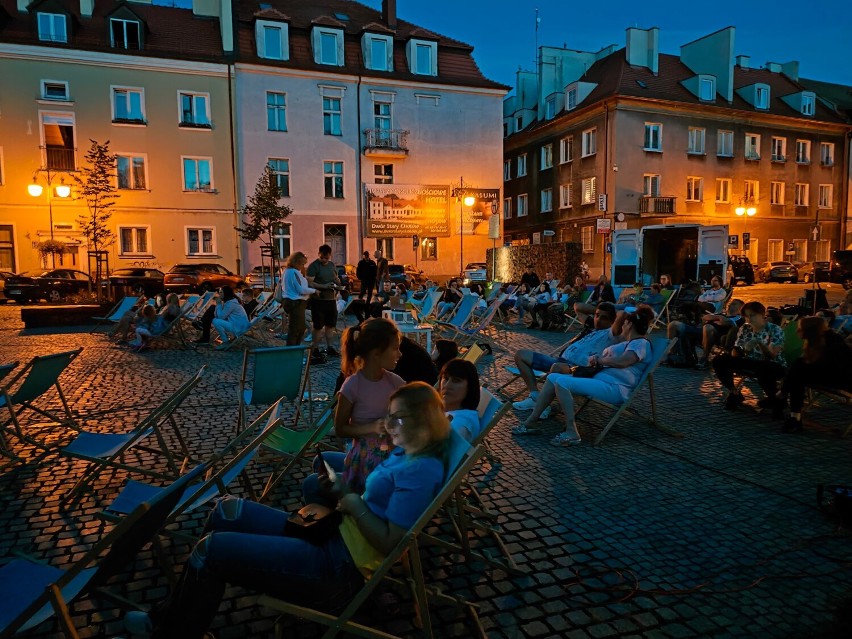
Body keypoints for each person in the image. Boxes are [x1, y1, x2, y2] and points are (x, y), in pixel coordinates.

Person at [123, 383, 450, 639]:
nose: (389, 423)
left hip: (338, 569)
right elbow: (374, 495)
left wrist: (354, 504)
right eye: (389, 414)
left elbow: (392, 542)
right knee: (227, 510)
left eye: (399, 418)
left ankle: (173, 630)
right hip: (331, 534)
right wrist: (341, 489)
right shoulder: (405, 452)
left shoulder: (421, 471)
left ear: (424, 423)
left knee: (210, 551)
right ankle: (177, 614)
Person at [512, 307, 655, 445]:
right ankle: (531, 422)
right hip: (599, 381)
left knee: (562, 382)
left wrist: (600, 360)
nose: (622, 326)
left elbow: (624, 362)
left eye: (624, 323)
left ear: (629, 324)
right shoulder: (628, 343)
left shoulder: (641, 343)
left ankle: (571, 431)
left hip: (615, 387)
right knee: (552, 377)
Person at [512, 302, 621, 418]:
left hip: (578, 369)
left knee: (557, 367)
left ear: (612, 321)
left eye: (604, 318)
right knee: (520, 355)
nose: (598, 320)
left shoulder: (612, 334)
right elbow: (578, 306)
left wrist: (613, 314)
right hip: (560, 360)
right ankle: (535, 396)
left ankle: (542, 405)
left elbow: (622, 316)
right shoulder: (591, 326)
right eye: (597, 316)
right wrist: (599, 310)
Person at [335, 318, 405, 494]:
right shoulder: (352, 386)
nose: (400, 354)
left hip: (392, 457)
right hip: (364, 459)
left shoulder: (395, 382)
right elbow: (340, 429)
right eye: (395, 348)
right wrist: (371, 427)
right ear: (376, 353)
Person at [778, 317, 852, 433]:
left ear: (810, 331)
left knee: (799, 369)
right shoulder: (817, 340)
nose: (797, 331)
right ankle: (794, 417)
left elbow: (838, 367)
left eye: (800, 329)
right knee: (798, 376)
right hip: (829, 375)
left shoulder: (832, 341)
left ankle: (783, 398)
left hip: (843, 379)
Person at [711, 301, 786, 415]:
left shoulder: (774, 329)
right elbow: (736, 352)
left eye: (752, 315)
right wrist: (741, 349)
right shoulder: (745, 328)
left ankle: (776, 398)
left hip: (773, 364)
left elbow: (772, 354)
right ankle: (734, 392)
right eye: (746, 316)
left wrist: (759, 343)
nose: (749, 319)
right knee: (720, 360)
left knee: (764, 368)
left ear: (762, 314)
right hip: (751, 361)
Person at [307, 244, 342, 358]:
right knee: (318, 326)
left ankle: (330, 347)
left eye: (326, 258)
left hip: (331, 299)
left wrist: (338, 284)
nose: (324, 260)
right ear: (319, 254)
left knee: (330, 325)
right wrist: (324, 286)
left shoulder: (332, 265)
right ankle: (315, 348)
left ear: (330, 256)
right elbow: (310, 283)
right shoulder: (314, 266)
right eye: (322, 257)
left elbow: (335, 278)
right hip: (318, 300)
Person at [280, 251, 317, 351]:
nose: (302, 266)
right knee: (296, 330)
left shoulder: (289, 271)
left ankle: (294, 351)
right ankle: (292, 352)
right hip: (295, 302)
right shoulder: (292, 272)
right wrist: (314, 291)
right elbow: (301, 289)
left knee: (300, 328)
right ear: (296, 262)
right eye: (301, 264)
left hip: (295, 302)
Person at [695, 299, 745, 369]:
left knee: (708, 327)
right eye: (730, 303)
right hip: (703, 333)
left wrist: (717, 319)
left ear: (740, 308)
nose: (730, 304)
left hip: (720, 337)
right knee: (676, 324)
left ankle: (704, 357)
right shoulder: (721, 314)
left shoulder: (739, 318)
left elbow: (726, 322)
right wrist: (718, 317)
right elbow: (705, 317)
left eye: (733, 304)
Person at [439, 359, 481, 442]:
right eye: (446, 378)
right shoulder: (448, 410)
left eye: (456, 380)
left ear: (470, 387)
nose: (447, 386)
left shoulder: (460, 424)